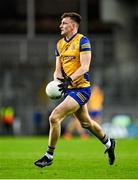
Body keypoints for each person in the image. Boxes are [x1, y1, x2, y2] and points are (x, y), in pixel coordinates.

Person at [34, 12, 116, 168]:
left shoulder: (83, 41)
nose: (60, 25)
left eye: (64, 23)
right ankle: (109, 143)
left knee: (54, 117)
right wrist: (57, 82)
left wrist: (69, 80)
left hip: (81, 89)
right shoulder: (59, 44)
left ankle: (49, 155)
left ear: (72, 25)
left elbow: (85, 67)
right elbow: (58, 69)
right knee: (87, 124)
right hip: (68, 89)